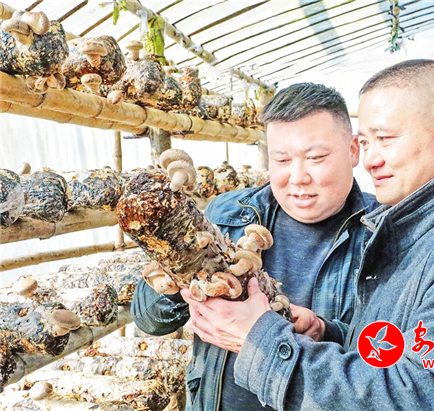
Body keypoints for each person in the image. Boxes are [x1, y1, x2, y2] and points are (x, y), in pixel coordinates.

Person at [183, 59, 434, 410]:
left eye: (386, 138)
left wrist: (260, 341)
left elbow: (419, 395)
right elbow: (394, 352)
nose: (370, 159)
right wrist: (328, 334)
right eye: (366, 142)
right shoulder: (414, 230)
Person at [131, 82, 379, 410]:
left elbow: (397, 360)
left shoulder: (384, 233)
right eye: (282, 159)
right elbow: (148, 320)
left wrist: (326, 331)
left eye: (316, 158)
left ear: (353, 150)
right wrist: (181, 272)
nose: (298, 177)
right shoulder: (227, 214)